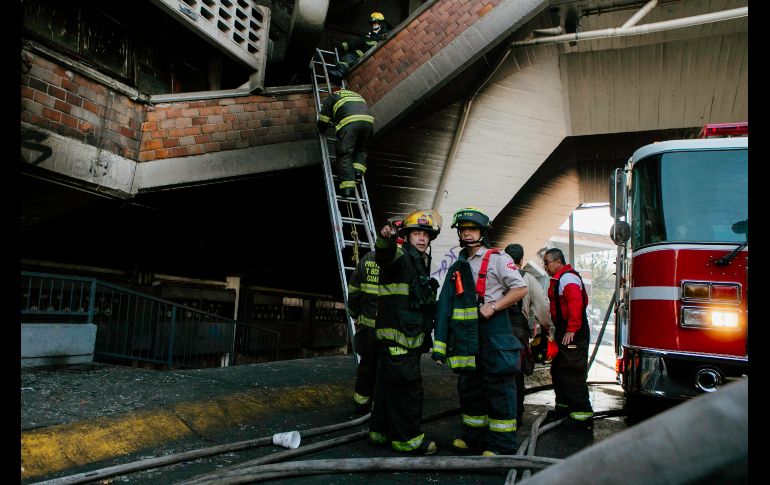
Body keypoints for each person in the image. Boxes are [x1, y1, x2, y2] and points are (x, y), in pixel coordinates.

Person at [433, 207, 528, 456]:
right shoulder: (458, 265)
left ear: (482, 232)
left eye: (472, 229)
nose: (467, 234)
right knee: (471, 388)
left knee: (498, 390)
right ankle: (474, 439)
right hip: (468, 337)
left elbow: (520, 288)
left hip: (494, 332)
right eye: (463, 230)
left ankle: (502, 446)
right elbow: (445, 305)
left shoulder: (498, 258)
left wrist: (494, 305)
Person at [368, 209, 441, 455]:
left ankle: (380, 432)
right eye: (417, 233)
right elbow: (384, 256)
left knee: (388, 386)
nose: (421, 238)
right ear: (407, 237)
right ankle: (407, 439)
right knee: (408, 388)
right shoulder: (400, 257)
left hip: (402, 337)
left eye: (425, 235)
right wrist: (386, 239)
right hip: (399, 337)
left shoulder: (420, 262)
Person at [541, 248, 594, 429]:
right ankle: (563, 408)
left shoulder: (568, 278)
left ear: (558, 262)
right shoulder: (560, 279)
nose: (545, 266)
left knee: (572, 372)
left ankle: (582, 415)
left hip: (574, 331)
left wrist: (571, 330)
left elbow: (575, 305)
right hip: (565, 330)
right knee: (559, 369)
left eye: (547, 262)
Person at [503, 243, 553, 426]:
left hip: (495, 332)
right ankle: (515, 416)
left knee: (494, 374)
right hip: (517, 334)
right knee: (516, 376)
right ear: (522, 260)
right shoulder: (528, 279)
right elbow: (542, 308)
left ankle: (495, 415)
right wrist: (546, 327)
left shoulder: (495, 275)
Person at [317, 87, 373, 198]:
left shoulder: (334, 96)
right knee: (361, 148)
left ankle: (347, 188)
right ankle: (358, 172)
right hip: (368, 122)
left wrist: (321, 130)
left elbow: (323, 119)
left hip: (349, 124)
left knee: (345, 155)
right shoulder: (356, 94)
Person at [347, 248, 380, 414]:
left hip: (367, 329)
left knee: (366, 367)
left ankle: (361, 406)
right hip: (392, 331)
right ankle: (379, 407)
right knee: (387, 370)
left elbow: (353, 291)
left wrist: (355, 314)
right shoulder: (406, 260)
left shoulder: (368, 259)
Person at [329, 12, 390, 81]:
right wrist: (342, 45)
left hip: (369, 58)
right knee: (348, 57)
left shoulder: (385, 34)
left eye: (375, 23)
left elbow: (385, 38)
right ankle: (338, 71)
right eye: (372, 23)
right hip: (362, 56)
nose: (373, 25)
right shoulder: (368, 36)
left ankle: (339, 72)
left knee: (350, 56)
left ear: (381, 24)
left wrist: (384, 36)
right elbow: (354, 43)